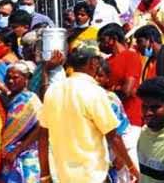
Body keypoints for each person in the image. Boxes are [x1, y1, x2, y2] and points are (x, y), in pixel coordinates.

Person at [38, 46, 139, 183]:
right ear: (93, 63)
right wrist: (132, 168)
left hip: (63, 176)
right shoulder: (95, 92)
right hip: (92, 176)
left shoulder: (52, 90)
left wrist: (45, 175)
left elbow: (43, 136)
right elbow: (113, 136)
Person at [0, 61, 41, 183]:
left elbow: (40, 127)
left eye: (15, 77)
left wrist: (17, 150)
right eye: (8, 77)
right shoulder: (7, 98)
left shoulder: (31, 100)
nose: (11, 81)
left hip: (25, 154)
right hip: (6, 154)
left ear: (26, 78)